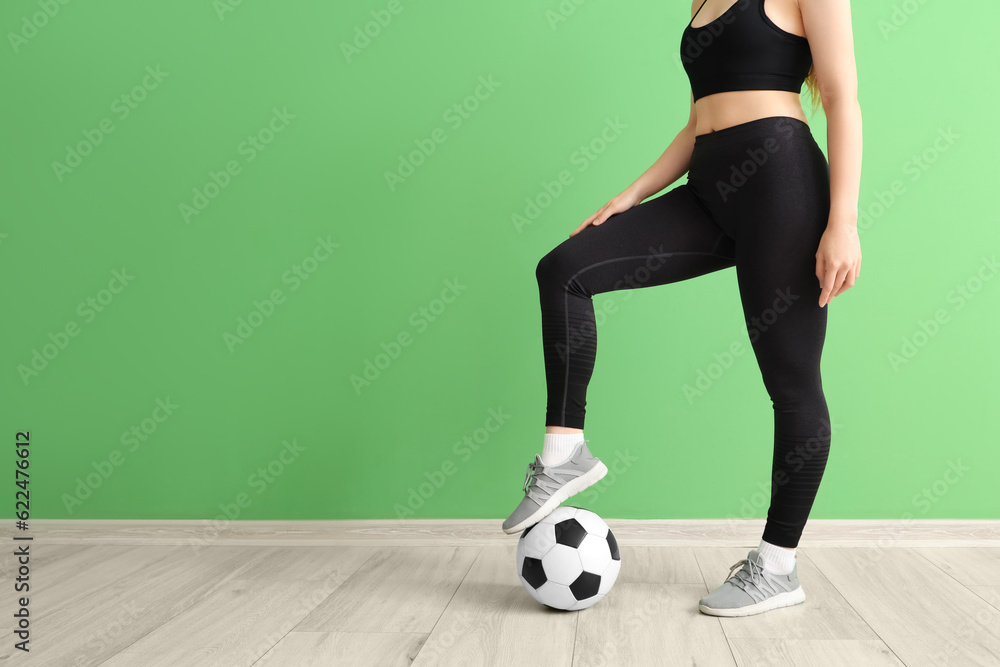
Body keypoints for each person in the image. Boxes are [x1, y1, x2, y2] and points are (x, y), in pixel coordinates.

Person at [502, 0, 862, 618]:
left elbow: (840, 95)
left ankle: (777, 566)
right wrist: (634, 192)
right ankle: (564, 455)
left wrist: (844, 221)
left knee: (793, 384)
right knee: (564, 270)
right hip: (708, 185)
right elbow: (700, 119)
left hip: (782, 181)